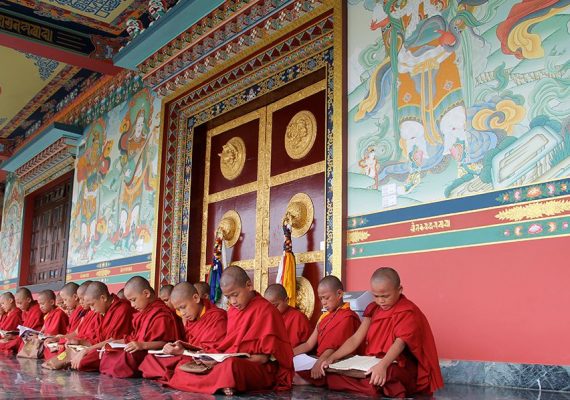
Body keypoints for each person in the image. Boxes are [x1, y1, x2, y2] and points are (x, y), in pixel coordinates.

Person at [166, 266, 293, 395]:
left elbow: (262, 359)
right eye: (228, 297)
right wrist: (209, 356)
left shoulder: (266, 310)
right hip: (232, 360)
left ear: (249, 285)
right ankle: (223, 383)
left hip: (258, 368)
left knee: (231, 366)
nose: (233, 301)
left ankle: (222, 382)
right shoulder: (233, 311)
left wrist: (222, 361)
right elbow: (230, 346)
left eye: (235, 295)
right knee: (183, 366)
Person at [322, 267, 444, 398]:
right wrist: (332, 357)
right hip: (372, 362)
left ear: (399, 290)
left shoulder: (407, 311)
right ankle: (374, 385)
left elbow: (399, 344)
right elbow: (356, 338)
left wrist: (382, 366)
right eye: (376, 296)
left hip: (398, 365)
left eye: (385, 296)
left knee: (386, 374)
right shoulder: (373, 309)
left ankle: (374, 385)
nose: (380, 301)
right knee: (337, 371)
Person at [139, 281, 227, 380]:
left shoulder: (217, 316)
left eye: (183, 307)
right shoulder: (191, 319)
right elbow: (188, 343)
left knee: (183, 367)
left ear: (196, 298)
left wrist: (183, 351)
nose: (182, 313)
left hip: (205, 359)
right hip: (188, 356)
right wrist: (174, 347)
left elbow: (215, 351)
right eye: (178, 310)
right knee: (150, 360)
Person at [99, 276, 180, 378]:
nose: (132, 305)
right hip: (140, 349)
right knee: (110, 353)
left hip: (153, 353)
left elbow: (166, 343)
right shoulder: (144, 313)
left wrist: (142, 345)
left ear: (146, 293)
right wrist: (114, 342)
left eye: (133, 300)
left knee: (126, 358)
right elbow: (134, 337)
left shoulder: (161, 313)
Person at [293, 276, 361, 386]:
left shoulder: (348, 317)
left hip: (337, 360)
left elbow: (333, 347)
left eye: (326, 298)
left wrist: (319, 363)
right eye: (321, 299)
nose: (323, 303)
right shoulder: (324, 317)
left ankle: (312, 379)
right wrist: (288, 354)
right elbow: (309, 344)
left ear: (339, 294)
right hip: (321, 359)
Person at [70, 281, 134, 372]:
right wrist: (80, 342)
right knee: (73, 352)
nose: (92, 310)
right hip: (101, 349)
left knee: (83, 361)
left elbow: (114, 341)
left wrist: (87, 350)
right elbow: (97, 339)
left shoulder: (122, 309)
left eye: (92, 305)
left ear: (103, 298)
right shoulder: (101, 312)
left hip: (115, 350)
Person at [0, 287, 43, 353]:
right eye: (17, 303)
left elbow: (29, 331)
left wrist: (14, 338)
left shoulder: (36, 310)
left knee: (5, 345)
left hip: (32, 339)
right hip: (22, 338)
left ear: (28, 300)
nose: (18, 306)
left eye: (19, 303)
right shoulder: (25, 311)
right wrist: (13, 336)